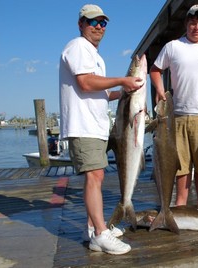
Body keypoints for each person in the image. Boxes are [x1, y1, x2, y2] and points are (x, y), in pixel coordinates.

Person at [59, 4, 144, 255]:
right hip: (82, 124)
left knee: (96, 177)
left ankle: (91, 227)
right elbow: (85, 83)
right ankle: (99, 233)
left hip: (96, 125)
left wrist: (125, 92)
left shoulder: (95, 55)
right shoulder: (78, 46)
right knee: (94, 177)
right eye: (92, 22)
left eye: (102, 23)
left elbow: (102, 92)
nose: (98, 27)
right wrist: (122, 79)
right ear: (81, 24)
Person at [150, 4, 198, 214]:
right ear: (186, 23)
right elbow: (155, 70)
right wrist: (159, 89)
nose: (197, 27)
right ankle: (181, 205)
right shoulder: (173, 46)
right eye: (193, 23)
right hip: (177, 115)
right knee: (181, 166)